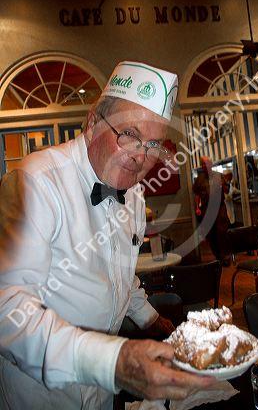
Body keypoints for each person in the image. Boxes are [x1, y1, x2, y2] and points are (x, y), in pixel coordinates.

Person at [0, 61, 214, 410]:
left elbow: (120, 275)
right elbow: (7, 312)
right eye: (129, 135)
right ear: (92, 123)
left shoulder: (133, 196)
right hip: (38, 394)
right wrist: (114, 362)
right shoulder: (36, 181)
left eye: (153, 145)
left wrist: (149, 318)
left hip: (102, 393)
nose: (140, 157)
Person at [193, 156, 230, 266]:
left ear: (211, 164)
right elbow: (196, 195)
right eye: (203, 164)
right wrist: (197, 207)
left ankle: (225, 256)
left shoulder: (219, 176)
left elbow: (227, 191)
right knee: (210, 234)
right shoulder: (199, 179)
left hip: (219, 209)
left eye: (207, 163)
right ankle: (217, 256)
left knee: (222, 232)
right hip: (206, 210)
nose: (205, 166)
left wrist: (223, 186)